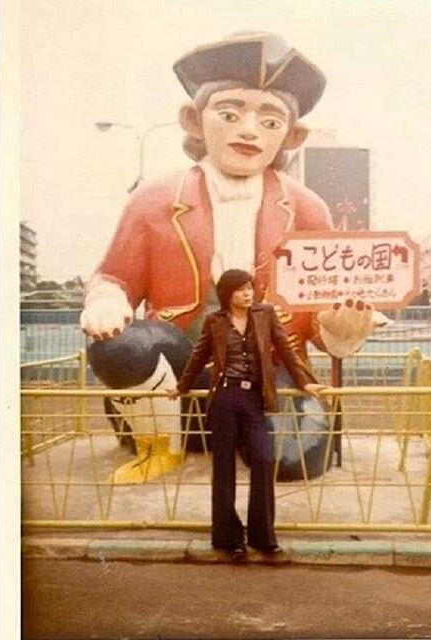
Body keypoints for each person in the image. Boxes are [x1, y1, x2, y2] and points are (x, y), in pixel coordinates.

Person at [80, 31, 388, 477]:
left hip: (271, 368)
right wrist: (106, 301)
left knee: (293, 461)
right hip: (180, 368)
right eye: (229, 113)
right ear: (194, 120)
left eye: (270, 121)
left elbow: (322, 301)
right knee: (121, 347)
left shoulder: (306, 207)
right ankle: (161, 443)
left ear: (292, 135)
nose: (249, 130)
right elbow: (115, 276)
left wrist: (340, 327)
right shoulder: (154, 200)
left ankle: (268, 432)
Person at [168, 269, 327, 562]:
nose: (248, 293)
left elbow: (286, 350)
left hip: (254, 398)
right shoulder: (214, 321)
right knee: (224, 469)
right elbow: (199, 355)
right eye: (241, 289)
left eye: (250, 288)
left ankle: (263, 536)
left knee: (264, 459)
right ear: (228, 293)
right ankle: (229, 539)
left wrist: (304, 382)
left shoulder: (265, 314)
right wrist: (181, 387)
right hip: (225, 398)